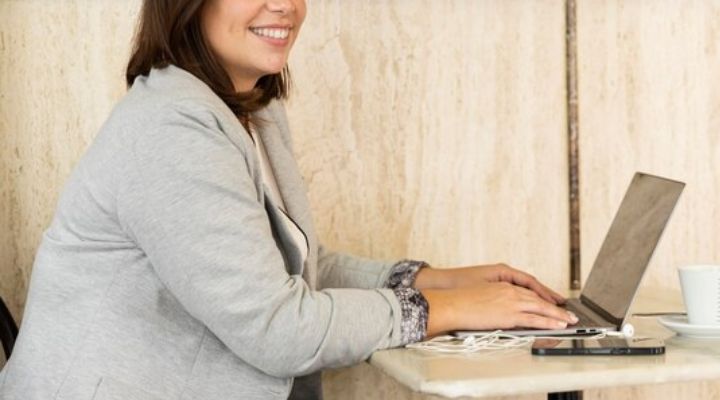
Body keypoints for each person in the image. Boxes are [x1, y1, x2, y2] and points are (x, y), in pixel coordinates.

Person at [0, 1, 577, 399]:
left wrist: (435, 281)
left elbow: (287, 270)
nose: (284, 8)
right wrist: (443, 314)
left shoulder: (252, 109)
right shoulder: (170, 129)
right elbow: (278, 327)